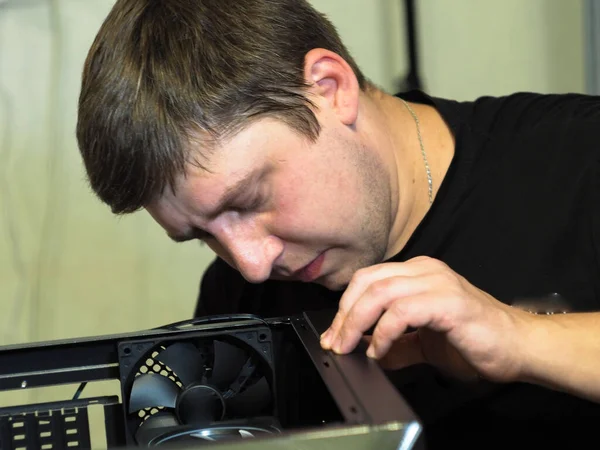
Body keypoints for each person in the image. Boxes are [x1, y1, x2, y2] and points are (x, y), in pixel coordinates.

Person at [76, 0, 600, 447]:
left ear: (330, 88)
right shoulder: (234, 301)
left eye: (250, 198)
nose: (252, 265)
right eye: (202, 235)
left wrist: (519, 337)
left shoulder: (580, 159)